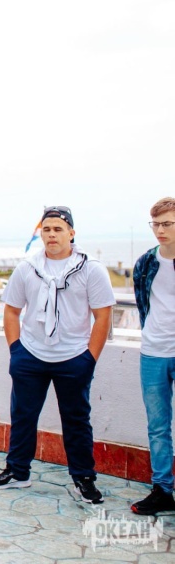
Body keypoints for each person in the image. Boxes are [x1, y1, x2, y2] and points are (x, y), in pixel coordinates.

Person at [0, 206, 114, 504]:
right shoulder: (27, 268)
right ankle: (18, 471)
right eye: (47, 229)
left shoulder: (91, 269)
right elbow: (11, 311)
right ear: (40, 233)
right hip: (31, 355)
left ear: (71, 233)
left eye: (58, 229)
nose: (52, 234)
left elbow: (103, 316)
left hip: (74, 356)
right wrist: (16, 351)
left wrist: (89, 359)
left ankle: (83, 478)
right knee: (23, 415)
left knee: (76, 419)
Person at [131, 197, 175, 515]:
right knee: (157, 426)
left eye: (167, 224)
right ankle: (163, 490)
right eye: (156, 224)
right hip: (153, 352)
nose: (160, 230)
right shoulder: (146, 262)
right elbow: (142, 302)